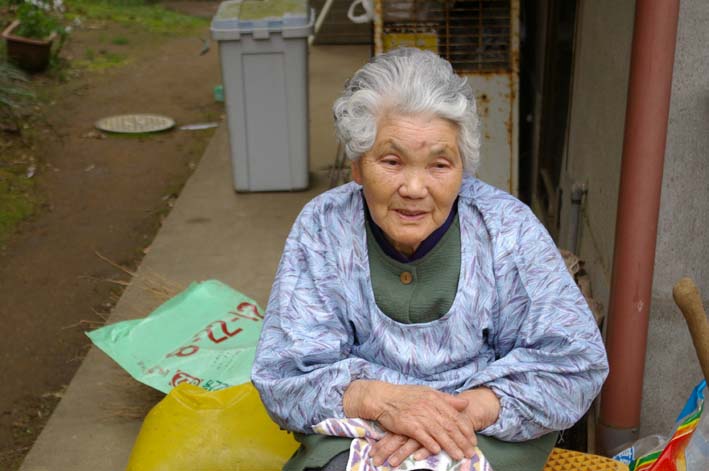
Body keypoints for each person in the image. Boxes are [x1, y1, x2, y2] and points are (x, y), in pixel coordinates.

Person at [252, 48, 608, 471]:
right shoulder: (324, 229)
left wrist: (465, 411)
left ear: (463, 168)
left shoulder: (507, 228)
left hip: (479, 431)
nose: (415, 188)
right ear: (358, 166)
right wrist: (381, 401)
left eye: (440, 164)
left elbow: (575, 363)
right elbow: (284, 376)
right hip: (364, 429)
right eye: (392, 161)